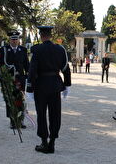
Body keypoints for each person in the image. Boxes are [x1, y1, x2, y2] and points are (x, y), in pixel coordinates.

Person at [26, 26, 71, 154]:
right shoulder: (60, 49)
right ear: (51, 35)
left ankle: (44, 142)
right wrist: (67, 85)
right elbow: (65, 68)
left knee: (41, 114)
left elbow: (32, 70)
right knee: (55, 114)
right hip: (55, 85)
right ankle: (52, 143)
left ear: (41, 35)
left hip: (41, 86)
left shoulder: (36, 49)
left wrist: (29, 87)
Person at [0, 31, 29, 129]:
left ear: (19, 40)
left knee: (21, 99)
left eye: (16, 39)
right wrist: (0, 75)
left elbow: (26, 64)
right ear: (9, 40)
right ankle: (12, 120)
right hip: (9, 79)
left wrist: (29, 75)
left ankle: (21, 120)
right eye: (13, 39)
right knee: (10, 100)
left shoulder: (23, 50)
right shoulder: (4, 50)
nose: (15, 41)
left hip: (20, 78)